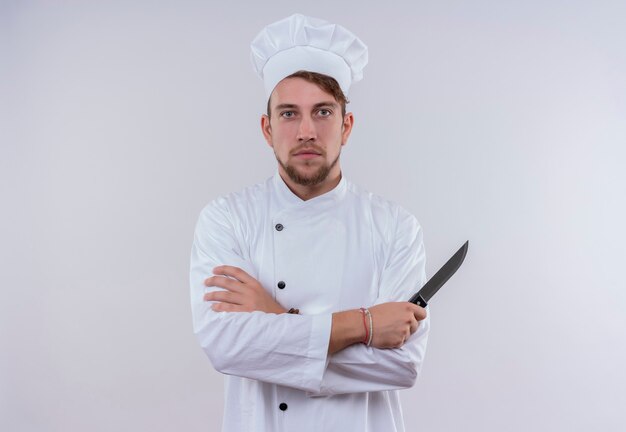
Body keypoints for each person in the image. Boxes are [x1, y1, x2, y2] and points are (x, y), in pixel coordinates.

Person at [190, 14, 430, 432]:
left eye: (322, 111)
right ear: (267, 129)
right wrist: (366, 325)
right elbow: (226, 346)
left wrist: (275, 321)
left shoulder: (395, 227)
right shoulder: (226, 218)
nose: (306, 131)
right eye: (288, 114)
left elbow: (401, 364)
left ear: (346, 125)